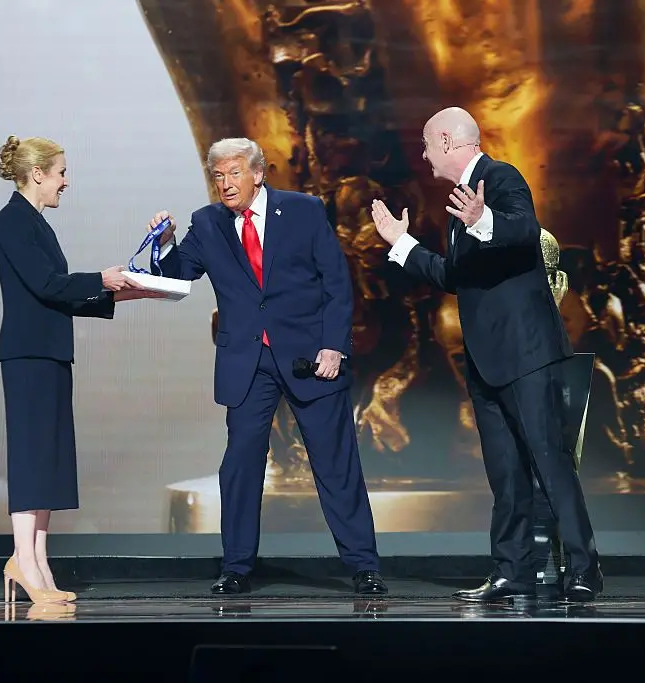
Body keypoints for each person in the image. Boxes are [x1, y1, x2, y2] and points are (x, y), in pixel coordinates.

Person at [370, 107, 603, 602]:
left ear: (451, 142)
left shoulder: (500, 178)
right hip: (486, 358)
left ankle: (583, 569)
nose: (424, 154)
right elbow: (454, 276)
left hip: (527, 353)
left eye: (428, 144)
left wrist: (483, 218)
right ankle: (510, 571)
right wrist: (401, 243)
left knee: (549, 462)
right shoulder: (458, 203)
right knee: (504, 471)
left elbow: (524, 231)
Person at [152, 137, 387, 596]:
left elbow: (337, 282)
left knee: (335, 463)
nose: (225, 184)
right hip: (248, 361)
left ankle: (364, 566)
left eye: (234, 173)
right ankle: (236, 566)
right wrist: (164, 245)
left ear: (258, 173)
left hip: (308, 357)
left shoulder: (302, 210)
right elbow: (176, 277)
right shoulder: (207, 223)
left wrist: (334, 346)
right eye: (217, 176)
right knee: (239, 465)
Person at [0, 135, 165, 603]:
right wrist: (102, 280)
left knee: (47, 460)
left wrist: (128, 292)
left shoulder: (36, 224)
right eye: (61, 172)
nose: (66, 182)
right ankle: (23, 561)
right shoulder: (12, 222)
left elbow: (61, 294)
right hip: (28, 355)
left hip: (48, 352)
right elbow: (48, 285)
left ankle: (37, 562)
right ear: (38, 173)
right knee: (31, 457)